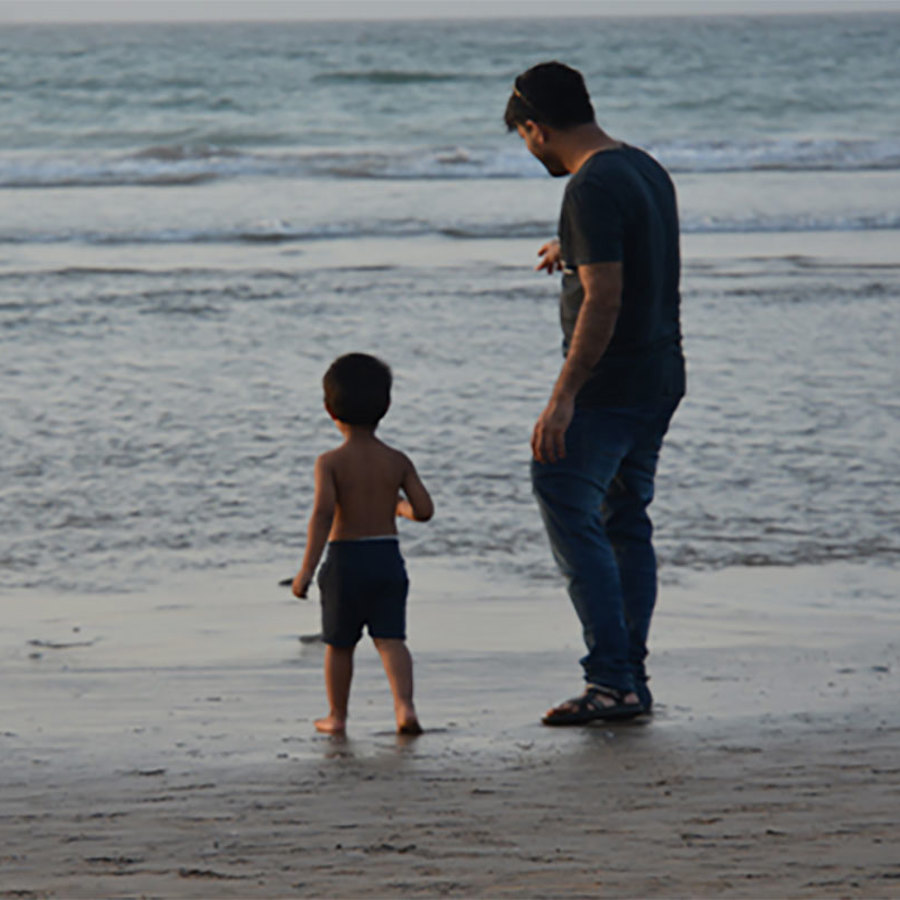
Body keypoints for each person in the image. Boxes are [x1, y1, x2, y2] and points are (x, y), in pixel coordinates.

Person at [505, 62, 685, 725]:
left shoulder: (590, 186)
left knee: (564, 492)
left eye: (525, 139)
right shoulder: (642, 167)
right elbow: (634, 255)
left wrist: (563, 397)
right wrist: (573, 249)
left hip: (611, 383)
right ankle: (629, 679)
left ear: (536, 127)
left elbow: (605, 299)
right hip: (661, 373)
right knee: (624, 520)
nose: (529, 151)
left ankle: (610, 679)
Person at [292, 353, 434, 736]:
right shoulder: (396, 460)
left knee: (339, 644)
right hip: (387, 560)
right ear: (386, 406)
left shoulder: (330, 462)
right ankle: (404, 708)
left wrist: (306, 569)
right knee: (391, 640)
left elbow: (323, 515)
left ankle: (337, 716)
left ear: (328, 409)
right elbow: (424, 510)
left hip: (345, 562)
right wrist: (397, 508)